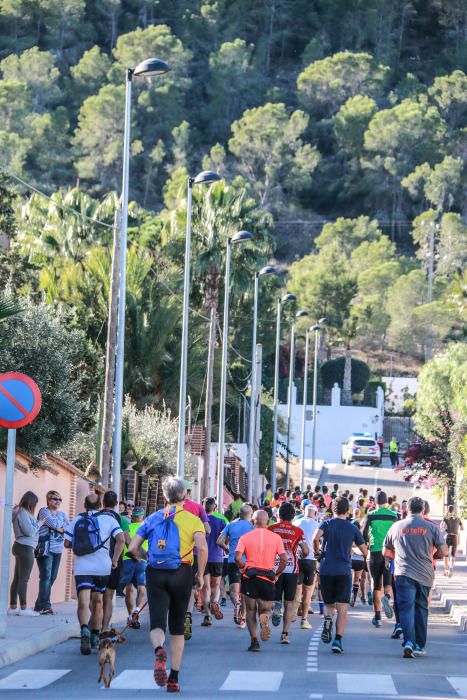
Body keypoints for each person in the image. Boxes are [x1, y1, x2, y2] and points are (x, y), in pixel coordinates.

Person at [128, 477, 208, 692]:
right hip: (181, 572)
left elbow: (133, 547)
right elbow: (202, 548)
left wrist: (148, 556)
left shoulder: (152, 518)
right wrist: (199, 574)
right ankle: (173, 678)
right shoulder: (193, 520)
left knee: (156, 623)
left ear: (164, 496)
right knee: (178, 627)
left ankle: (158, 651)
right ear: (185, 496)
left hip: (155, 573)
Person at [383, 496, 447, 658]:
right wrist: (435, 555)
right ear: (423, 510)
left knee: (405, 609)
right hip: (425, 574)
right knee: (421, 609)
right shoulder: (431, 527)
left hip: (403, 573)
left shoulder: (396, 527)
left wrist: (398, 556)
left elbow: (386, 552)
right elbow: (444, 551)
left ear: (407, 509)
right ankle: (419, 644)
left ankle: (409, 641)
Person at [65, 493, 125, 655]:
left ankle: (84, 629)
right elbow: (121, 539)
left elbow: (66, 543)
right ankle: (94, 635)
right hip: (102, 567)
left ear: (84, 505)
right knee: (98, 601)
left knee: (84, 603)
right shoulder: (109, 519)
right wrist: (115, 559)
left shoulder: (78, 519)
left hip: (82, 566)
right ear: (100, 505)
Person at [313, 497, 367, 654]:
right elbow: (364, 551)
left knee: (329, 604)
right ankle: (337, 640)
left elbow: (315, 538)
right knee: (343, 607)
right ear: (347, 511)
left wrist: (318, 553)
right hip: (344, 570)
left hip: (326, 569)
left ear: (332, 509)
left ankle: (328, 618)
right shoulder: (352, 528)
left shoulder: (326, 523)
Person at [235, 510, 287, 652]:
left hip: (250, 577)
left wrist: (244, 568)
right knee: (265, 609)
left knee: (251, 611)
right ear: (268, 521)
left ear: (253, 521)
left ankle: (254, 641)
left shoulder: (245, 537)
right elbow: (284, 559)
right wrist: (276, 574)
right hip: (267, 578)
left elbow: (237, 557)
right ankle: (265, 617)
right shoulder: (276, 538)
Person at [269, 502, 308, 644]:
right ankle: (285, 634)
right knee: (290, 603)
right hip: (292, 569)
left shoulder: (271, 529)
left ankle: (276, 605)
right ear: (293, 516)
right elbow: (305, 551)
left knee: (274, 597)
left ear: (278, 515)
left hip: (275, 568)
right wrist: (302, 556)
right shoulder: (298, 531)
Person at [361, 491, 398, 628]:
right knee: (388, 582)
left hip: (375, 552)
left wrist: (367, 544)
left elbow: (363, 533)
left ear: (375, 502)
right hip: (389, 552)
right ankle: (387, 598)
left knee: (376, 584)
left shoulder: (370, 516)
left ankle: (377, 617)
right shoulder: (394, 516)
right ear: (387, 502)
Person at [217, 504, 253, 627]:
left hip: (233, 561)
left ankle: (236, 606)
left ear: (240, 514)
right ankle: (242, 617)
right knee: (245, 592)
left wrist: (226, 549)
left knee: (233, 590)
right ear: (250, 515)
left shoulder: (231, 525)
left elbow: (219, 541)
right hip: (248, 562)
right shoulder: (252, 527)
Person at [34, 490, 69, 614]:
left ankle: (39, 604)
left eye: (60, 499)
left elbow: (68, 527)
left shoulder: (62, 514)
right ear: (48, 500)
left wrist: (62, 528)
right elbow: (54, 525)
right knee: (46, 576)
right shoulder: (44, 511)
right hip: (46, 549)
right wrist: (60, 528)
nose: (58, 501)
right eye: (55, 499)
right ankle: (45, 606)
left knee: (52, 577)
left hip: (58, 550)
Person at [9, 491, 43, 617]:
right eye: (34, 503)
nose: (34, 506)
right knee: (23, 578)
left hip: (22, 546)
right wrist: (40, 523)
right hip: (25, 547)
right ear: (30, 502)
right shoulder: (23, 512)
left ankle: (13, 607)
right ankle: (23, 608)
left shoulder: (21, 512)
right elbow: (29, 532)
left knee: (18, 578)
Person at [101, 490, 131, 631]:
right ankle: (104, 628)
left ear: (103, 503)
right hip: (114, 561)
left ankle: (93, 626)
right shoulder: (121, 520)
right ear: (116, 504)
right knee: (108, 596)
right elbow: (126, 540)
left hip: (96, 560)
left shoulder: (96, 516)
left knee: (95, 597)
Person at [183, 494, 210, 641]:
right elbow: (208, 529)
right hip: (192, 554)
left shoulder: (167, 509)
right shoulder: (198, 507)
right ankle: (188, 613)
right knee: (191, 588)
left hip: (175, 555)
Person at [200, 498, 226, 626]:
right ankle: (215, 601)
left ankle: (207, 615)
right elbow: (225, 538)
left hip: (202, 557)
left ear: (203, 507)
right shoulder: (221, 521)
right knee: (216, 585)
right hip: (217, 557)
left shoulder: (199, 521)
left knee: (205, 588)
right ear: (215, 507)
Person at [121, 506, 148, 629]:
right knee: (141, 588)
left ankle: (131, 614)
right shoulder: (146, 527)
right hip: (142, 560)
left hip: (128, 559)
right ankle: (135, 611)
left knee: (129, 589)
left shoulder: (127, 528)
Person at [294, 503, 319, 629]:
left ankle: (294, 612)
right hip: (311, 559)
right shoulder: (317, 524)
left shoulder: (297, 523)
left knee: (298, 589)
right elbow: (319, 542)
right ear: (315, 513)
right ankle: (304, 620)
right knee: (308, 591)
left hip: (298, 559)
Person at [441, 505, 463, 577]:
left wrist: (444, 520)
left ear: (448, 510)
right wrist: (457, 529)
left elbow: (441, 526)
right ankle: (451, 568)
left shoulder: (446, 517)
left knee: (446, 555)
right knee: (453, 554)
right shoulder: (458, 518)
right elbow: (463, 528)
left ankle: (446, 570)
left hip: (448, 536)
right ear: (454, 510)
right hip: (455, 537)